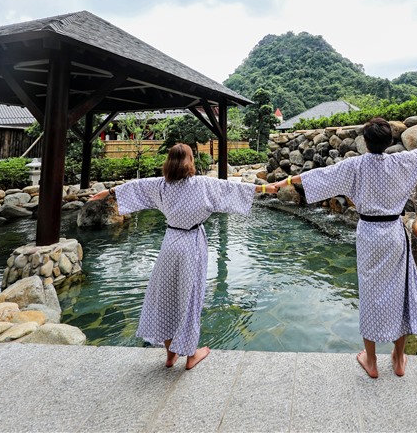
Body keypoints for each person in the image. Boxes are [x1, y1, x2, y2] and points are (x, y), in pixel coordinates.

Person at [276, 115, 417, 378]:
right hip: (393, 234)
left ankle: (371, 361)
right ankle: (399, 358)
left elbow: (317, 176)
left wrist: (282, 183)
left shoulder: (355, 166)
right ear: (389, 141)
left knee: (370, 295)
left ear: (365, 142)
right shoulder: (403, 162)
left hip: (369, 235)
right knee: (399, 293)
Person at [89, 143, 280, 369]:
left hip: (170, 244)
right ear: (190, 160)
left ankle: (170, 355)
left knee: (165, 298)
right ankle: (191, 355)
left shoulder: (161, 185)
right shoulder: (202, 184)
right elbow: (231, 188)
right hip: (191, 245)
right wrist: (265, 189)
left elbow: (135, 187)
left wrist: (107, 192)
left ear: (169, 162)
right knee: (190, 299)